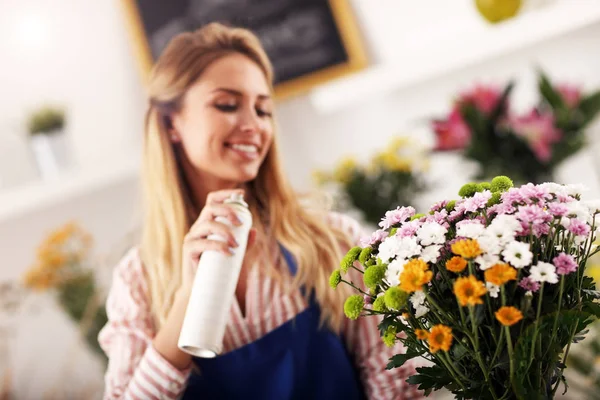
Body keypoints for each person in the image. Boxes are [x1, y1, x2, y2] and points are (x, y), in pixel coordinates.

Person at [98, 22, 422, 400]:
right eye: (227, 104)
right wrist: (187, 302)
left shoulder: (331, 241)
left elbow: (396, 383)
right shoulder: (138, 282)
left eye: (263, 109)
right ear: (172, 123)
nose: (253, 125)